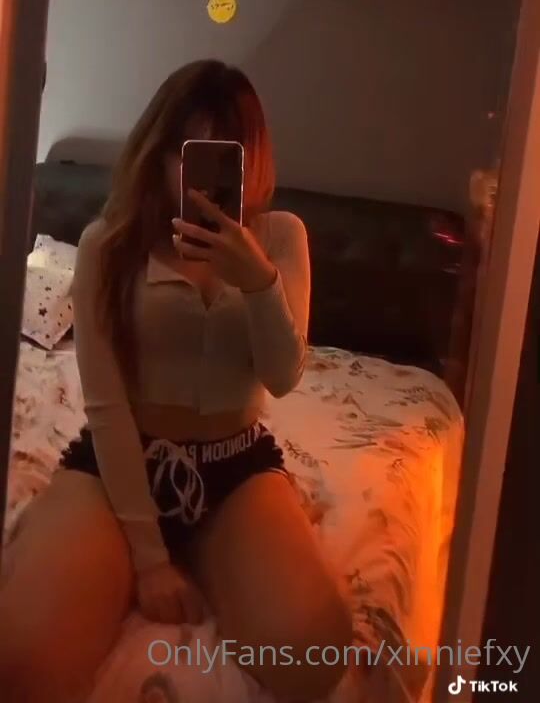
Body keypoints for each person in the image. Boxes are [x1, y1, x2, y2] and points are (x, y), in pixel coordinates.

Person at [0, 61, 352, 703]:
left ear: (252, 162)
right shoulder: (108, 244)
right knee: (24, 659)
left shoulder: (280, 237)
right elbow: (107, 407)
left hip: (234, 465)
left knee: (314, 651)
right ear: (159, 153)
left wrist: (258, 281)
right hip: (119, 463)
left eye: (227, 156)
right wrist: (150, 558)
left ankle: (217, 555)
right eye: (187, 153)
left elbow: (283, 377)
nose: (200, 179)